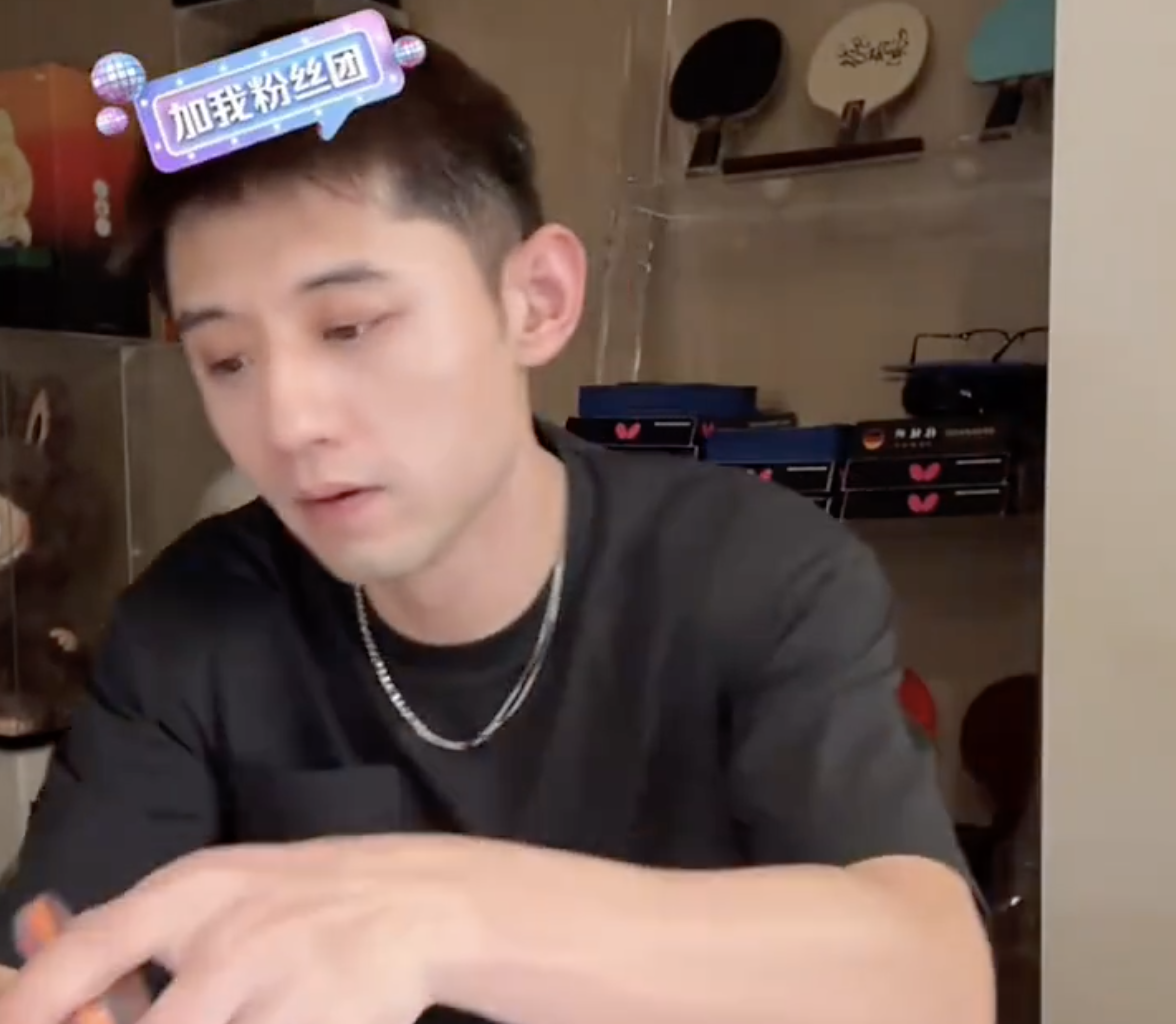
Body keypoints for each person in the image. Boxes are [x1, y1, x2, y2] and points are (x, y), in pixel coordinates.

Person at [0, 17, 993, 1024]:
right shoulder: (192, 622)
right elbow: (50, 956)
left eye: (349, 327)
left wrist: (434, 916)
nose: (288, 421)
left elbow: (935, 978)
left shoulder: (752, 573)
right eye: (227, 361)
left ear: (536, 301)